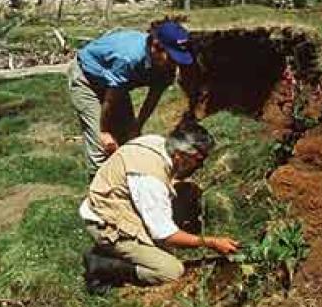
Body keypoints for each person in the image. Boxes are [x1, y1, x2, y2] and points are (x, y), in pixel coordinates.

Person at [79, 116, 240, 294]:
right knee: (170, 270)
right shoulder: (150, 180)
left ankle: (115, 254)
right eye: (198, 161)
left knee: (186, 193)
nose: (201, 167)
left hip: (114, 206)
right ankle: (102, 265)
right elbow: (165, 234)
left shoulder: (156, 143)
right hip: (106, 223)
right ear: (180, 156)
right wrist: (211, 242)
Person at [68, 19, 196, 181]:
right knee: (101, 144)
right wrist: (105, 131)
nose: (175, 64)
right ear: (156, 46)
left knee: (130, 138)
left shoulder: (168, 68)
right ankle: (98, 191)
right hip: (87, 79)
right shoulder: (129, 57)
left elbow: (153, 96)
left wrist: (138, 124)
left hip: (116, 86)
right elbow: (111, 97)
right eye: (172, 58)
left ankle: (126, 182)